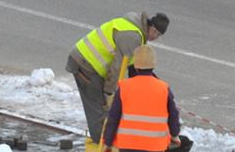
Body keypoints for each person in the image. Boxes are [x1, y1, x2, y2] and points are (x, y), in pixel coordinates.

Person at [66, 11, 169, 141]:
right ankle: (102, 149)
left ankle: (106, 143)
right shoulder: (133, 36)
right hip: (85, 64)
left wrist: (151, 84)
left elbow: (133, 66)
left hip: (89, 63)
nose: (155, 37)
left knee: (106, 108)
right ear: (151, 27)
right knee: (100, 109)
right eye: (156, 33)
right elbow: (118, 67)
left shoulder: (136, 29)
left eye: (159, 35)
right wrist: (109, 91)